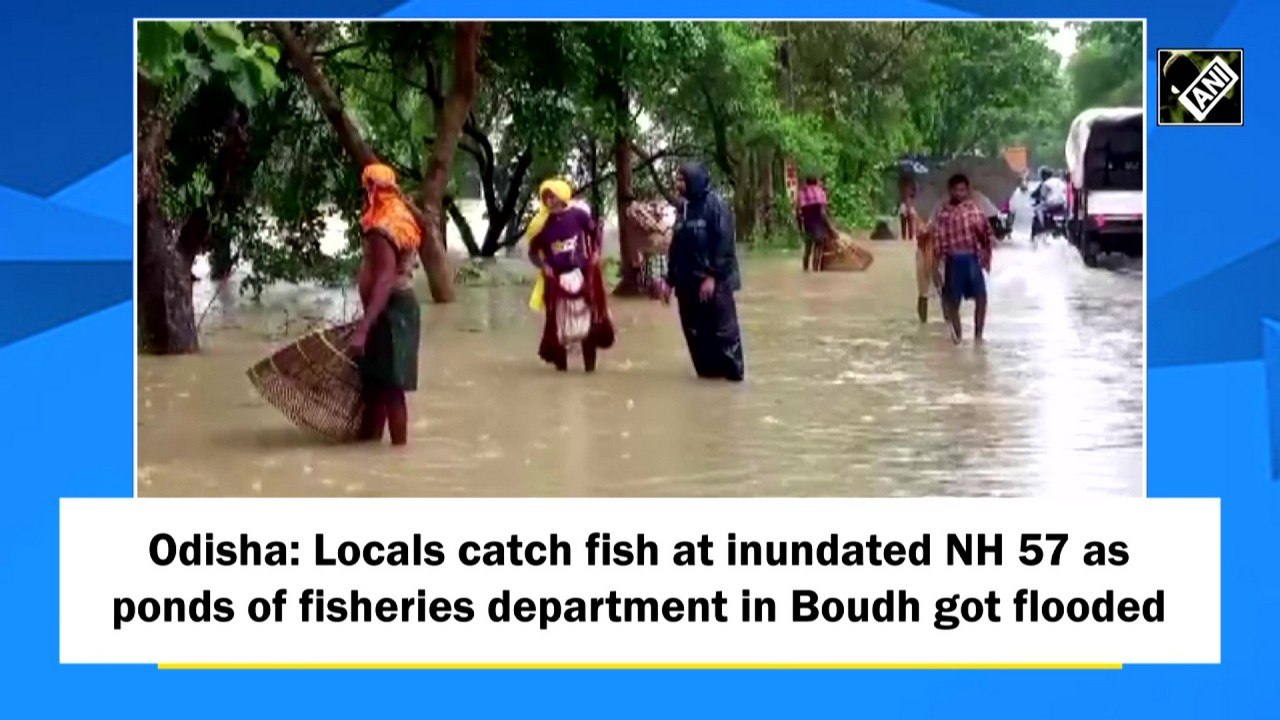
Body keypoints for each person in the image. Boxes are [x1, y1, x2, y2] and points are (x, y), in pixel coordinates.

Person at [351, 163, 423, 446]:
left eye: (366, 188)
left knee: (390, 389)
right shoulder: (400, 215)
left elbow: (384, 279)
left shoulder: (382, 227)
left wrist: (363, 329)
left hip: (392, 311)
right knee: (377, 387)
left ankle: (398, 455)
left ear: (372, 189)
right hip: (396, 308)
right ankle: (382, 460)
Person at [666, 162, 745, 382]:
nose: (677, 184)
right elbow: (676, 247)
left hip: (715, 285)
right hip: (687, 287)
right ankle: (709, 385)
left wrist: (712, 276)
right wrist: (669, 280)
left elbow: (725, 245)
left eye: (682, 180)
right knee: (697, 337)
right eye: (678, 179)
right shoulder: (683, 210)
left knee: (724, 336)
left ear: (694, 180)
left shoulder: (716, 206)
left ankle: (732, 387)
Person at [526, 178, 610, 372]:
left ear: (563, 196)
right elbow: (533, 252)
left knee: (588, 325)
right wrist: (543, 266)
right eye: (546, 198)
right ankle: (561, 370)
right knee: (558, 329)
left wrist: (596, 253)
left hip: (581, 277)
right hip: (557, 282)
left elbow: (595, 233)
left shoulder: (578, 215)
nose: (550, 201)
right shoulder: (542, 225)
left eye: (553, 196)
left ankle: (590, 369)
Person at [928, 173, 994, 344]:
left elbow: (986, 233)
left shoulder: (974, 208)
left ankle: (978, 337)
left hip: (972, 259)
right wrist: (935, 268)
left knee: (981, 298)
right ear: (950, 191)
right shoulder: (943, 213)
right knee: (952, 303)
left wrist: (986, 253)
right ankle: (958, 336)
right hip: (953, 260)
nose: (960, 193)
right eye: (957, 190)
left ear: (967, 190)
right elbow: (938, 243)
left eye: (963, 190)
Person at [626, 198, 673, 300]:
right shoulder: (643, 216)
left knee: (661, 273)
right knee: (654, 274)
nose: (657, 210)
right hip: (652, 250)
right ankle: (656, 293)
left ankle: (661, 292)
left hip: (659, 250)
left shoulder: (665, 218)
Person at [796, 175, 836, 272]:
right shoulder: (821, 192)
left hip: (807, 224)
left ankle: (805, 270)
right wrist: (830, 228)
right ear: (816, 181)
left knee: (807, 249)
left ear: (807, 181)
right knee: (818, 248)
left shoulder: (802, 193)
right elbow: (823, 213)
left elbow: (798, 213)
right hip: (819, 225)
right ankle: (815, 271)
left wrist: (800, 228)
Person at [1031, 167, 1068, 236]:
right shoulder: (1060, 181)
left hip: (1051, 204)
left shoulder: (1046, 183)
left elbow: (1042, 196)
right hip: (1063, 204)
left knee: (1037, 209)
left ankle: (1043, 225)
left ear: (1043, 176)